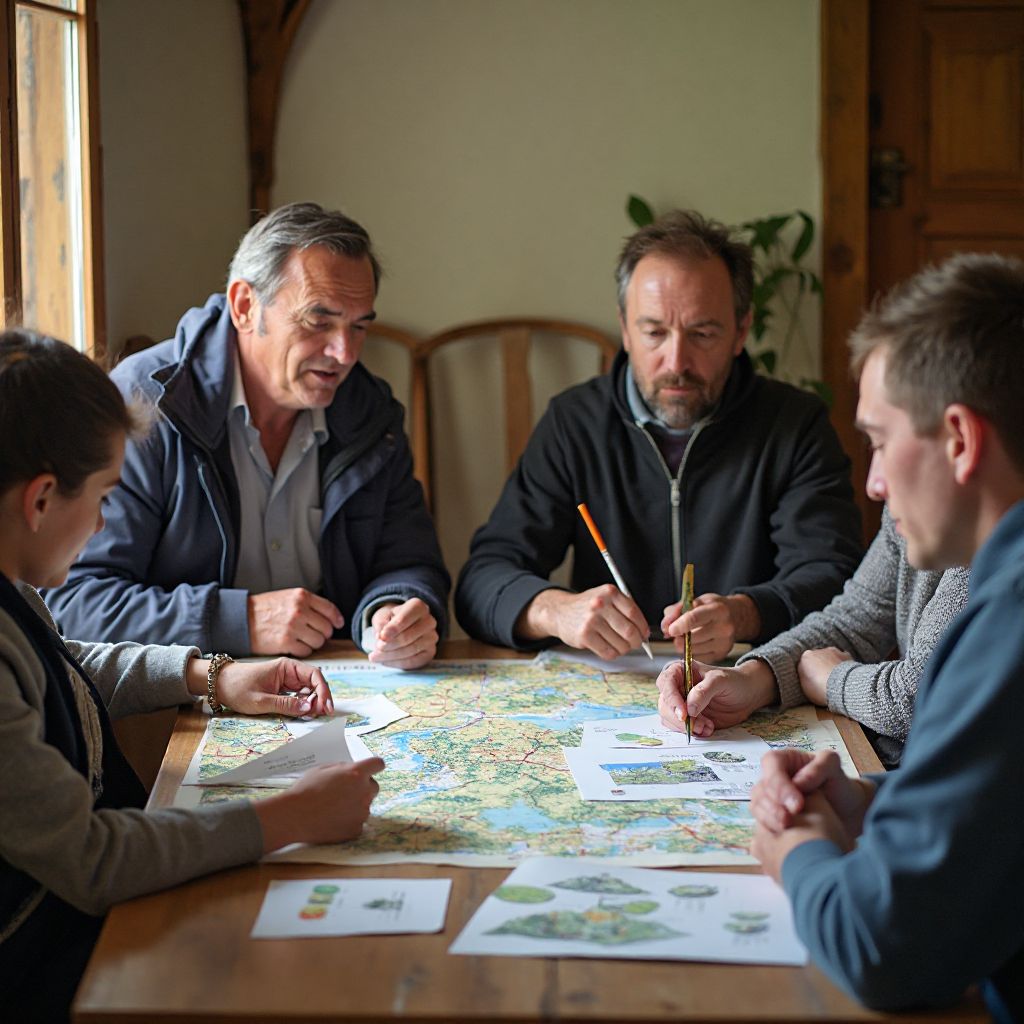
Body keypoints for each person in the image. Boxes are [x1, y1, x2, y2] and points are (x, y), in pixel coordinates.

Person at [0, 330, 385, 1023]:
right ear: (39, 501)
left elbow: (63, 666)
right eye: (105, 497)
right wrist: (290, 816)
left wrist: (211, 675)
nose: (104, 522)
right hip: (40, 966)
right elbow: (91, 860)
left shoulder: (12, 590)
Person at [748, 253, 1024, 1019]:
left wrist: (798, 846)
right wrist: (871, 799)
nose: (872, 482)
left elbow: (880, 947)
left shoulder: (1006, 624)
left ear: (961, 441)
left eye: (878, 439)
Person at [45, 203, 448, 669]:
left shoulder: (370, 413)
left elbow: (410, 561)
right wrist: (240, 620)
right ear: (244, 306)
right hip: (182, 700)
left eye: (359, 326)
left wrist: (394, 612)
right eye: (319, 320)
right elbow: (73, 602)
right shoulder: (144, 404)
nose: (344, 353)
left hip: (339, 693)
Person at [455, 210, 862, 660]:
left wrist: (745, 614)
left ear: (741, 330)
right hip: (608, 692)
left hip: (743, 682)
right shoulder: (575, 423)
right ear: (625, 330)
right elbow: (483, 578)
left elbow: (834, 579)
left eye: (702, 333)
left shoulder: (795, 425)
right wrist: (555, 611)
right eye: (654, 332)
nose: (676, 361)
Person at [655, 506, 970, 767]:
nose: (874, 484)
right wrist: (752, 679)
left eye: (883, 443)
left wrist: (835, 680)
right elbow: (854, 620)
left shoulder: (989, 530)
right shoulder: (905, 503)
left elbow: (923, 697)